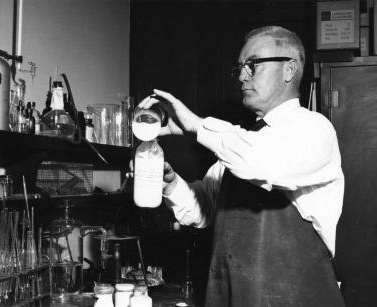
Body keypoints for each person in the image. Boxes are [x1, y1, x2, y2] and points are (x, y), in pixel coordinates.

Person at [138, 26, 345, 307]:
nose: (243, 76)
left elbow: (264, 162)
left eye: (253, 65)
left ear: (289, 69)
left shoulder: (315, 129)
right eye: (240, 68)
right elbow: (202, 210)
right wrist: (171, 185)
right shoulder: (240, 144)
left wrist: (197, 125)